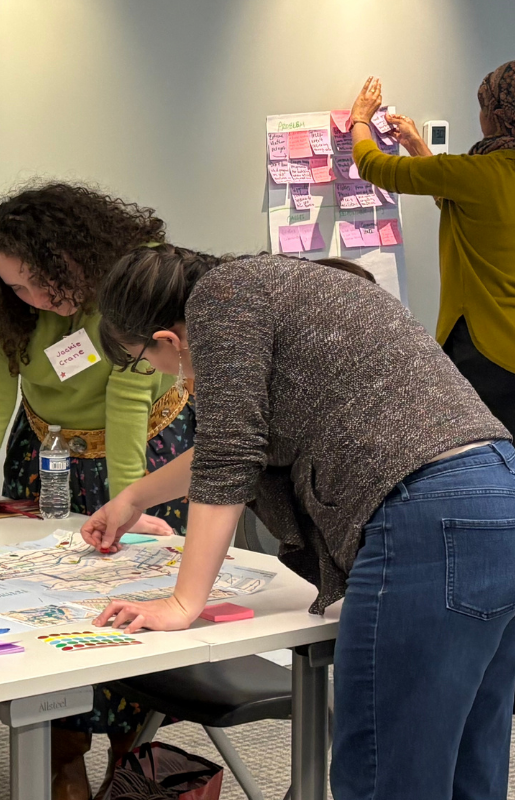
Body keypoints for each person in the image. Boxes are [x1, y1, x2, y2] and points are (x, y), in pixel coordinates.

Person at [83, 244, 512, 800]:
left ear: (167, 339)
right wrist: (135, 498)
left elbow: (230, 452)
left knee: (388, 773)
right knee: (467, 764)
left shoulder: (220, 300)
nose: (163, 373)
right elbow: (240, 440)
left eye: (148, 362)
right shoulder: (281, 283)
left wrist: (184, 602)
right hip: (495, 492)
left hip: (426, 514)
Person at [0, 183, 194, 800]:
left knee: (133, 607)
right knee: (47, 608)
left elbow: (129, 399)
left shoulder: (134, 279)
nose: (33, 297)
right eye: (16, 287)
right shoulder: (10, 308)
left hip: (147, 453)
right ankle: (60, 758)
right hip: (47, 456)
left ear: (79, 253)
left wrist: (130, 503)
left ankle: (136, 767)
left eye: (42, 281)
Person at [349, 69, 515, 432]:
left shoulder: (477, 171)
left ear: (497, 115)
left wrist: (359, 120)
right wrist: (416, 145)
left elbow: (373, 166)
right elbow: (464, 209)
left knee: (487, 455)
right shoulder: (476, 177)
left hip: (488, 347)